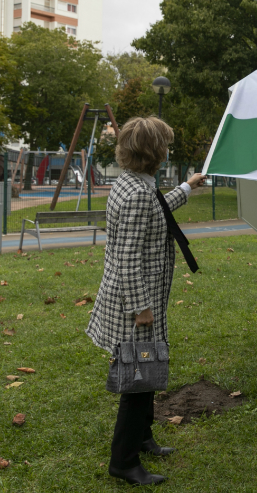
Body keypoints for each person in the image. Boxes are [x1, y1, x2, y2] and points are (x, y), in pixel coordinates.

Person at [86, 116, 206, 485]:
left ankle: (143, 437)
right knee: (137, 382)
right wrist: (141, 308)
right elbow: (125, 257)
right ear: (157, 152)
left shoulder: (134, 183)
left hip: (138, 298)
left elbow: (158, 209)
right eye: (165, 144)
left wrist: (187, 186)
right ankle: (123, 461)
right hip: (136, 304)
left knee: (148, 370)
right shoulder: (138, 192)